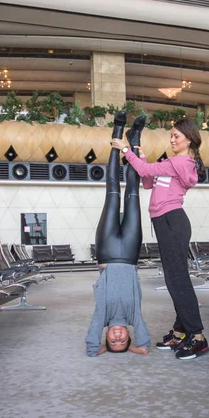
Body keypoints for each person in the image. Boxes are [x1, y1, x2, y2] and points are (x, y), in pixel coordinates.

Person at [111, 118, 209, 361]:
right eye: (171, 135)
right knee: (175, 279)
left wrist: (125, 149)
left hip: (172, 221)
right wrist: (140, 158)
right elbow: (147, 181)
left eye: (177, 136)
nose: (172, 139)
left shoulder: (182, 161)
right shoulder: (172, 163)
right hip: (165, 222)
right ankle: (180, 331)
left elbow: (145, 171)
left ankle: (197, 337)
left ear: (189, 138)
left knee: (178, 280)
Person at [85, 111, 151, 357]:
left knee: (113, 191)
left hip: (108, 250)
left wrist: (102, 349)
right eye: (122, 340)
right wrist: (134, 348)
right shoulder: (135, 317)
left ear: (106, 336)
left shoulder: (101, 316)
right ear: (128, 335)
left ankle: (117, 131)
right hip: (131, 254)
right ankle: (134, 138)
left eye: (113, 341)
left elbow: (92, 349)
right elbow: (144, 345)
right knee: (132, 193)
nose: (117, 336)